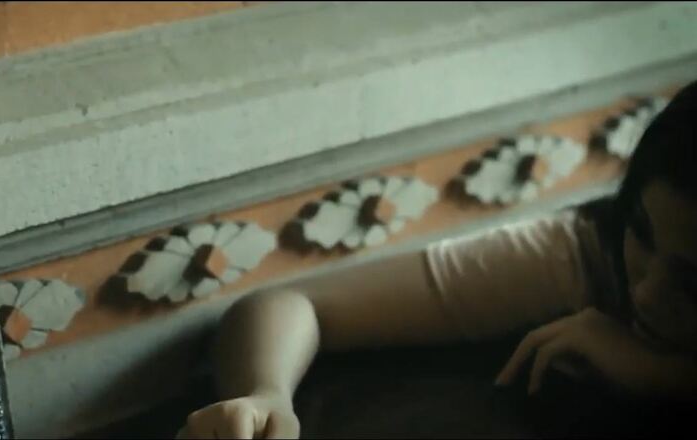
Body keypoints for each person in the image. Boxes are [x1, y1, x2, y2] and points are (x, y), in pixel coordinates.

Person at [178, 79, 697, 439]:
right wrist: (266, 397)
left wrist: (669, 378)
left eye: (693, 281)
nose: (647, 292)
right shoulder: (587, 250)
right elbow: (293, 304)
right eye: (642, 234)